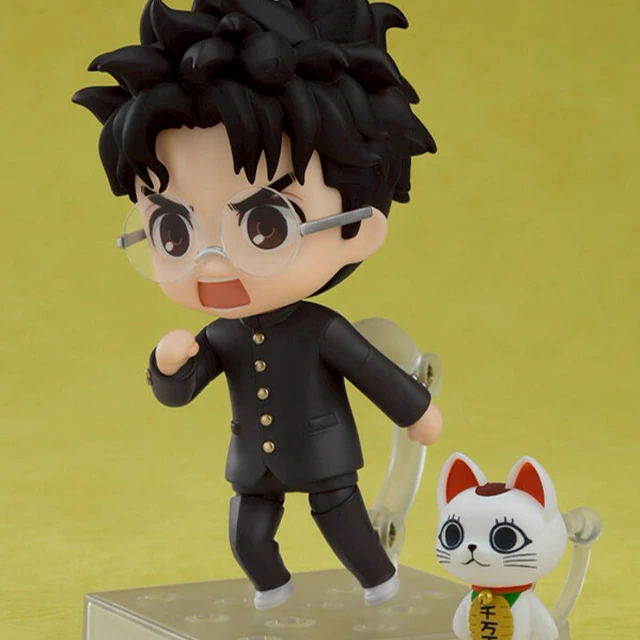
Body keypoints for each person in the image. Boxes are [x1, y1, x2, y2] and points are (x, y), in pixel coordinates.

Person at [73, 0, 443, 610]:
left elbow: (373, 371)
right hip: (253, 468)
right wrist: (168, 366)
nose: (212, 264)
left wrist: (416, 411)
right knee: (247, 538)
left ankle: (381, 585)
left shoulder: (321, 328)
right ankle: (273, 596)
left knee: (345, 531)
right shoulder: (223, 334)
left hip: (324, 459)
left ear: (360, 228)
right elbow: (181, 392)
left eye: (265, 227)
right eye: (173, 232)